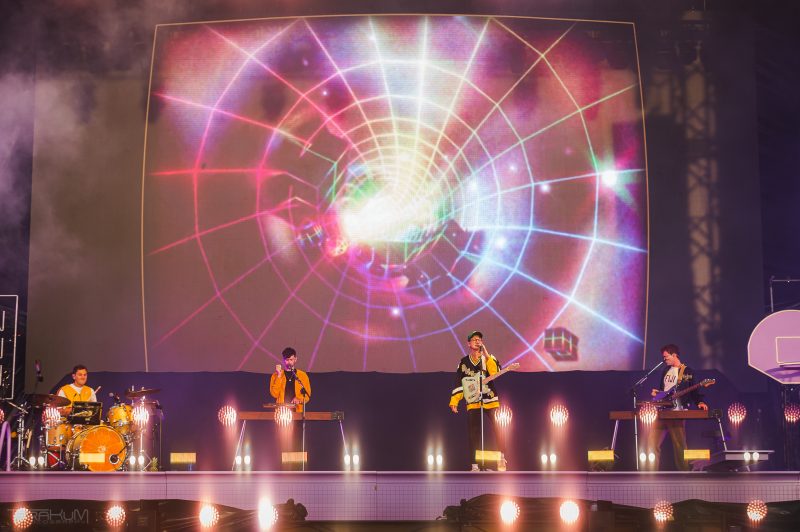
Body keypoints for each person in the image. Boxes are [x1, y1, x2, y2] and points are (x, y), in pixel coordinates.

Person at [449, 331, 507, 471]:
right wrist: (455, 400)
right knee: (474, 432)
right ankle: (475, 465)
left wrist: (486, 355)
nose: (477, 341)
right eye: (474, 339)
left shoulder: (488, 358)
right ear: (468, 343)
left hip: (490, 398)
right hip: (473, 400)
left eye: (479, 339)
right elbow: (459, 382)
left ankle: (501, 460)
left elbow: (495, 373)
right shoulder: (463, 362)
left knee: (499, 428)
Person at [646, 344, 708, 471]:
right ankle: (650, 473)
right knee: (651, 444)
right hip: (662, 412)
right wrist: (657, 394)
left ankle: (684, 474)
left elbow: (695, 391)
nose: (664, 359)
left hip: (677, 412)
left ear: (674, 355)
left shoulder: (688, 372)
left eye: (666, 357)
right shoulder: (665, 371)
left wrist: (700, 402)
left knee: (680, 446)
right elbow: (664, 391)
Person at [269, 347, 312, 412]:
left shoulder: (302, 375)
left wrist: (299, 399)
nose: (289, 362)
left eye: (291, 360)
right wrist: (279, 376)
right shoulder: (275, 375)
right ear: (283, 360)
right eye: (287, 360)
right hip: (281, 412)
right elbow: (274, 394)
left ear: (295, 359)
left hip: (297, 411)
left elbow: (307, 395)